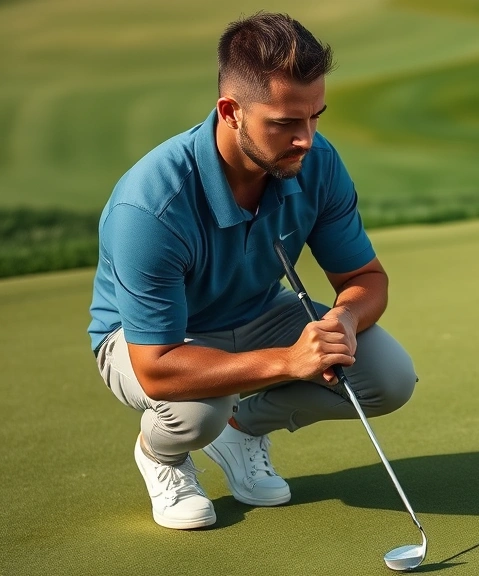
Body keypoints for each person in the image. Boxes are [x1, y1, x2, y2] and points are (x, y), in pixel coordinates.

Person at [87, 12, 417, 530]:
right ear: (230, 112)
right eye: (285, 122)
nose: (306, 138)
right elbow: (156, 366)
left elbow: (367, 279)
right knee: (198, 411)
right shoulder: (149, 207)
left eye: (315, 117)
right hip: (149, 341)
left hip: (260, 314)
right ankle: (162, 456)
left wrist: (345, 322)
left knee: (388, 378)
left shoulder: (315, 162)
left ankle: (241, 430)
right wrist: (290, 361)